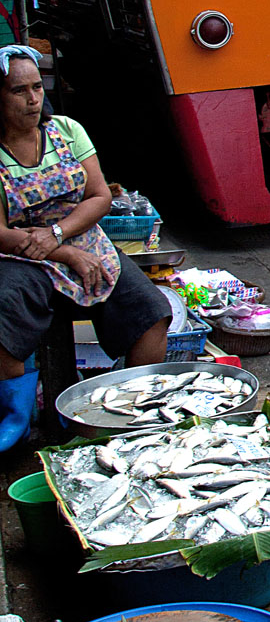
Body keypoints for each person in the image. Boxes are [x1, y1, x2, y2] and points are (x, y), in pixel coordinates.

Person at [0, 45, 171, 451]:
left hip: (79, 237)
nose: (32, 99)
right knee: (3, 320)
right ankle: (16, 429)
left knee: (151, 312)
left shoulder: (67, 130)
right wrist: (60, 251)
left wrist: (60, 235)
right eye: (17, 90)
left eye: (36, 87)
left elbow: (98, 197)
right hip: (19, 252)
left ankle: (130, 413)